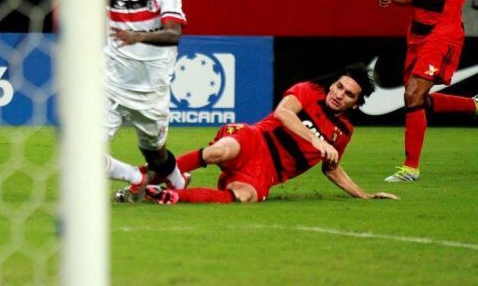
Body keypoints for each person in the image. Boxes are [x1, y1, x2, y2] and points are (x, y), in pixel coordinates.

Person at [0, 0, 189, 193]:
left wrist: (136, 36)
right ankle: (135, 178)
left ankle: (179, 182)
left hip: (150, 93)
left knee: (155, 154)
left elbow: (173, 33)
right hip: (108, 86)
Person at [140, 64, 399, 204]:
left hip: (266, 173)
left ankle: (171, 195)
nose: (339, 94)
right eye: (339, 86)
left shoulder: (343, 132)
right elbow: (283, 114)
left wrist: (363, 195)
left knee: (245, 197)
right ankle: (141, 178)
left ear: (356, 104)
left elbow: (331, 168)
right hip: (255, 140)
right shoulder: (309, 91)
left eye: (348, 94)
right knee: (220, 151)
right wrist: (317, 139)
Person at [378, 0, 478, 183]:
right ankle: (473, 106)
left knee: (412, 94)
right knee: (417, 100)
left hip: (443, 33)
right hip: (416, 34)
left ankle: (410, 169)